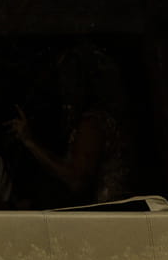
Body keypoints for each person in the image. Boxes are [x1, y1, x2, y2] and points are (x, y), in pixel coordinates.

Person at [8, 46, 135, 205]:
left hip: (108, 217)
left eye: (69, 78)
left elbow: (77, 180)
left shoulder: (93, 124)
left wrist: (31, 143)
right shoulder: (92, 119)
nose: (64, 89)